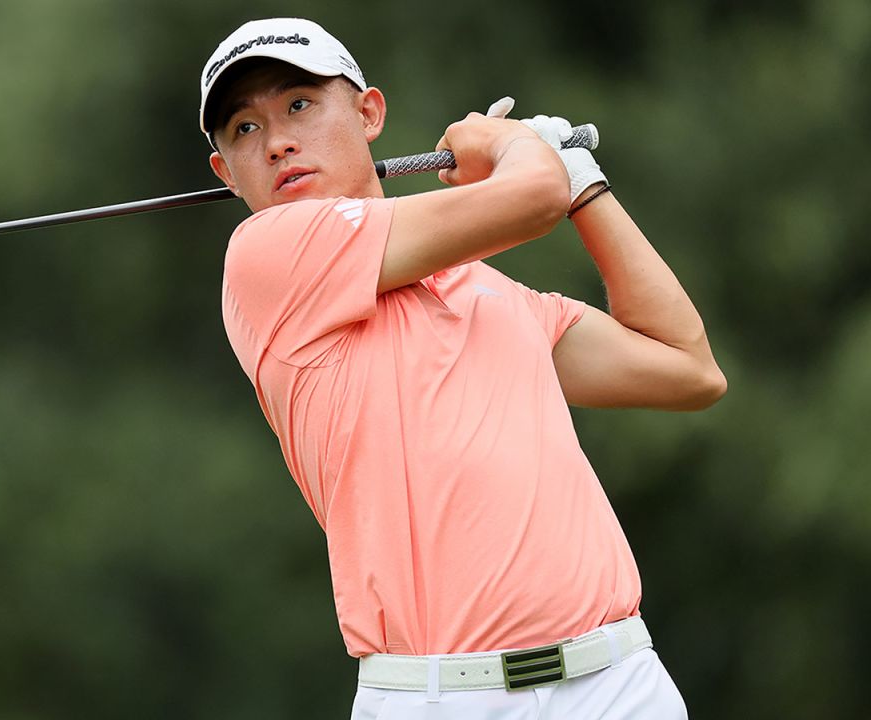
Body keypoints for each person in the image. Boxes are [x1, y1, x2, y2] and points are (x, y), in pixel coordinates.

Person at [199, 17, 726, 720]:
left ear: (368, 113)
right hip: (440, 698)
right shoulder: (264, 258)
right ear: (225, 174)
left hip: (618, 683)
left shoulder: (495, 296)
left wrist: (585, 184)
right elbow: (531, 199)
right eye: (243, 130)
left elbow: (686, 368)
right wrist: (515, 145)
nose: (278, 142)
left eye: (299, 105)